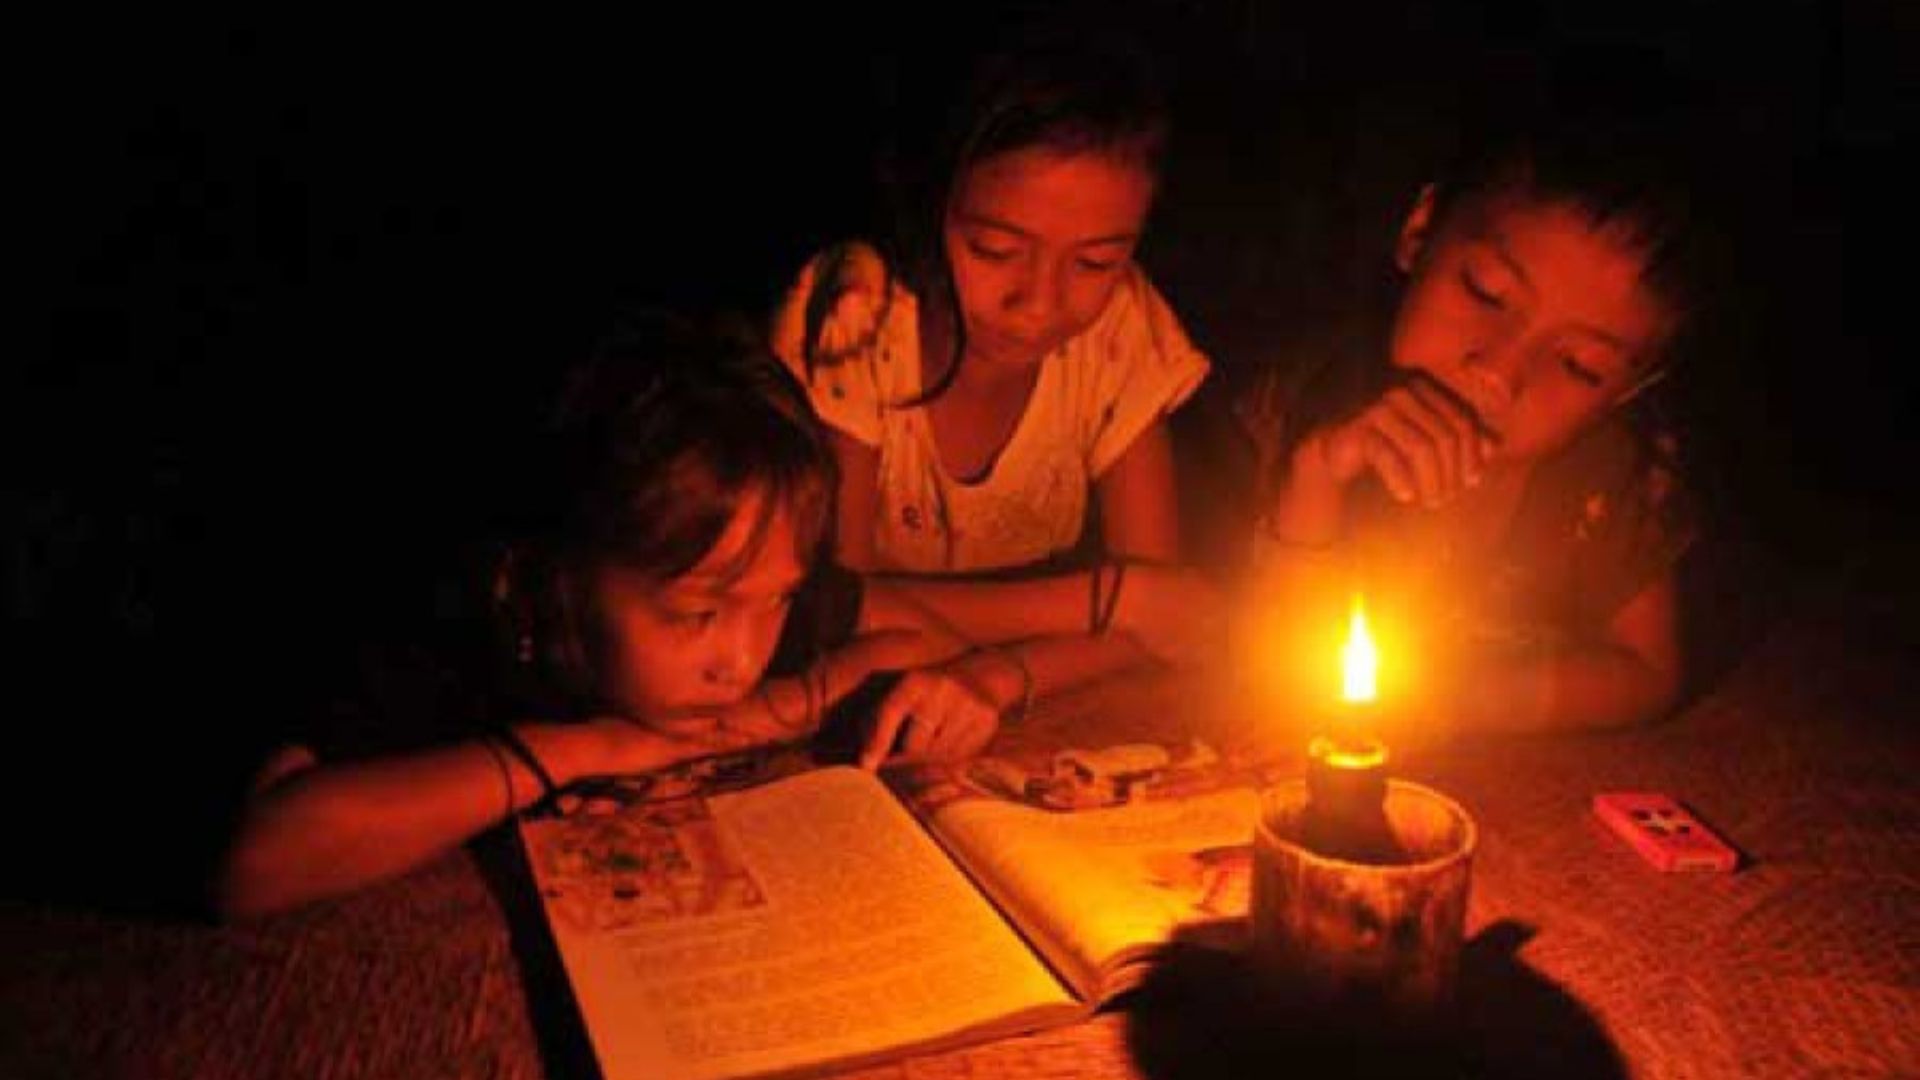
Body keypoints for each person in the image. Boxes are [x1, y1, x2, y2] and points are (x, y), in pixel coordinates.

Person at [214, 314, 1196, 919]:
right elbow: (257, 863)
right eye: (696, 614)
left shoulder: (748, 591)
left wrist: (788, 706)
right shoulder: (463, 622)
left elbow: (905, 642)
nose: (740, 657)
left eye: (775, 600)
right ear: (559, 573)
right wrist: (579, 749)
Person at [1236, 49, 1720, 740]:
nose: (1500, 370)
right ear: (1420, 230)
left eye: (1579, 366)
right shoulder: (1302, 400)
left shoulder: (1607, 474)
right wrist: (1315, 476)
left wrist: (1460, 702)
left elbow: (1646, 673)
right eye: (1487, 293)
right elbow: (1254, 661)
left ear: (1627, 390)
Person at [771, 24, 1210, 575]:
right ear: (927, 203)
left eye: (1095, 262)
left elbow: (1158, 594)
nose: (1040, 304)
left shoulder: (1118, 330)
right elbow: (838, 600)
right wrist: (1098, 604)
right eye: (995, 250)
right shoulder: (861, 316)